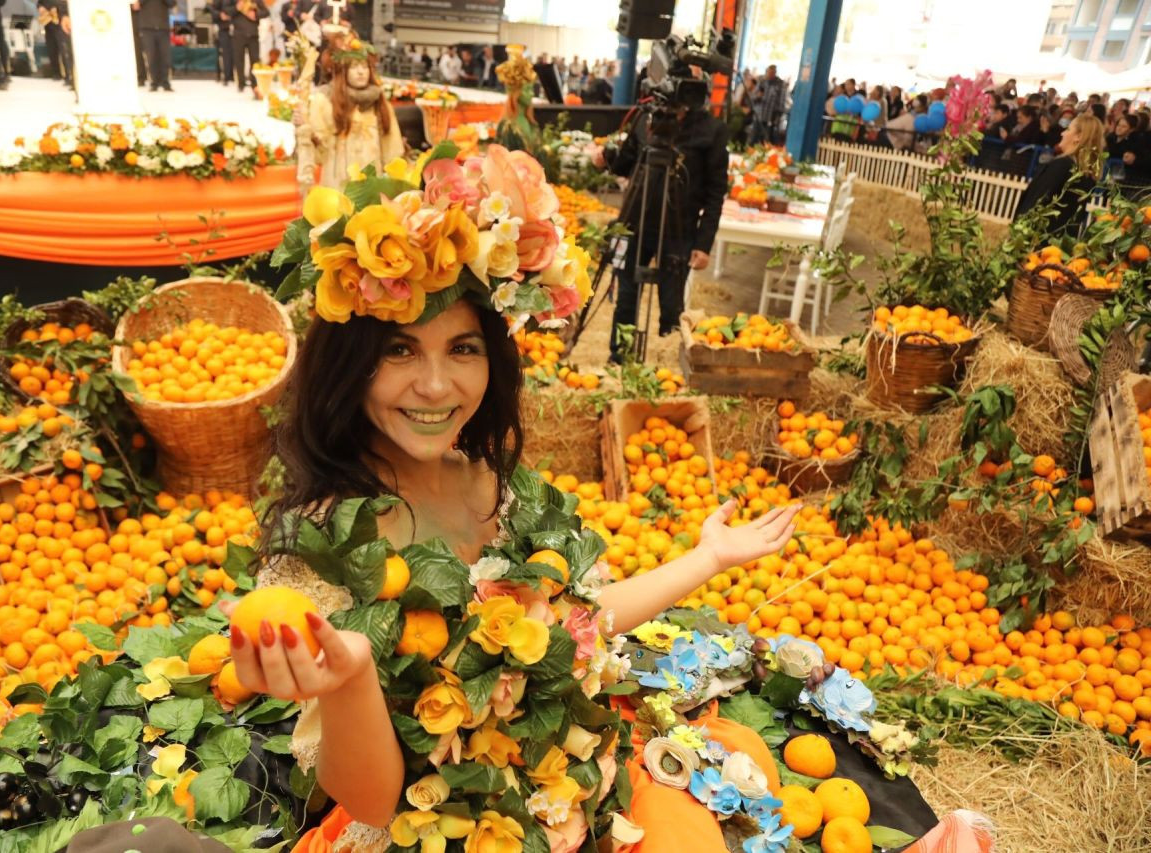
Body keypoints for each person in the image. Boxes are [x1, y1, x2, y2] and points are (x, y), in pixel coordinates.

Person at [226, 190, 803, 847]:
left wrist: (708, 558)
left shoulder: (500, 490)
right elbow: (374, 798)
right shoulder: (325, 546)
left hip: (564, 798)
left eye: (463, 348)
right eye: (399, 350)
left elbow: (582, 621)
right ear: (349, 365)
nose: (437, 385)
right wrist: (353, 678)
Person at [597, 95, 729, 356]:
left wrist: (704, 243)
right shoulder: (646, 117)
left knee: (671, 306)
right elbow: (626, 163)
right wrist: (606, 158)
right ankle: (620, 358)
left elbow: (716, 193)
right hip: (634, 224)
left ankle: (668, 364)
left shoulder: (711, 130)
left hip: (679, 231)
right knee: (626, 299)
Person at [301, 37, 403, 189]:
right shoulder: (325, 100)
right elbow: (318, 151)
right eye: (354, 67)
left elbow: (392, 149)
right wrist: (305, 131)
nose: (361, 72)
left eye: (365, 66)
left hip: (371, 185)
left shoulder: (379, 102)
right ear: (343, 71)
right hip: (337, 184)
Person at [1015, 112, 1104, 237]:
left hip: (1036, 238)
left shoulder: (1062, 165)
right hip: (1060, 243)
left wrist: (1019, 232)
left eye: (1068, 129)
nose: (1062, 133)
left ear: (1078, 136)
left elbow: (1037, 200)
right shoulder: (1088, 174)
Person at [134, 0, 174, 92]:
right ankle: (154, 82)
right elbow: (136, 5)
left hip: (163, 27)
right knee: (151, 56)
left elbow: (172, 3)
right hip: (147, 27)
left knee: (165, 56)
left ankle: (165, 82)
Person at [748, 64, 787, 145]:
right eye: (768, 73)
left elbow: (781, 102)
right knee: (754, 138)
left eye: (772, 73)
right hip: (759, 115)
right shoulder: (762, 82)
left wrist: (778, 116)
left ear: (775, 73)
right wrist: (757, 96)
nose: (770, 75)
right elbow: (752, 96)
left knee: (766, 140)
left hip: (770, 117)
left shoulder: (780, 84)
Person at [38, 0, 72, 87]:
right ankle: (56, 73)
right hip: (48, 22)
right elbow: (40, 2)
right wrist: (40, 7)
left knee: (64, 49)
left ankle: (69, 75)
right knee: (51, 48)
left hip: (61, 19)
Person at [231, 0, 260, 96]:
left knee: (255, 61)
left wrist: (255, 14)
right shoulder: (234, 1)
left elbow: (266, 12)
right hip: (239, 35)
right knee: (239, 60)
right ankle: (241, 84)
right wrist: (237, 8)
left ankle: (254, 84)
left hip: (253, 35)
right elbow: (227, 12)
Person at [212, 0, 233, 85]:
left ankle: (230, 76)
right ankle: (221, 75)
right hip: (221, 27)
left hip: (234, 27)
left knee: (231, 54)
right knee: (222, 54)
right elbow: (211, 8)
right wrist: (220, 14)